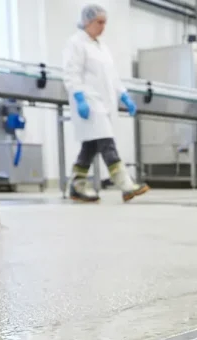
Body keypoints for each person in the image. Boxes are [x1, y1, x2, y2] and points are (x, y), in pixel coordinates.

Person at [62, 4, 149, 203]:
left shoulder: (101, 47)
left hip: (104, 103)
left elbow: (112, 77)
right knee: (106, 142)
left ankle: (76, 185)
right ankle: (125, 184)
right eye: (99, 22)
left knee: (91, 145)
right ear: (87, 21)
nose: (103, 27)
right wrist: (79, 98)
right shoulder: (76, 43)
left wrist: (124, 96)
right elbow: (71, 73)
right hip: (89, 101)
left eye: (104, 23)